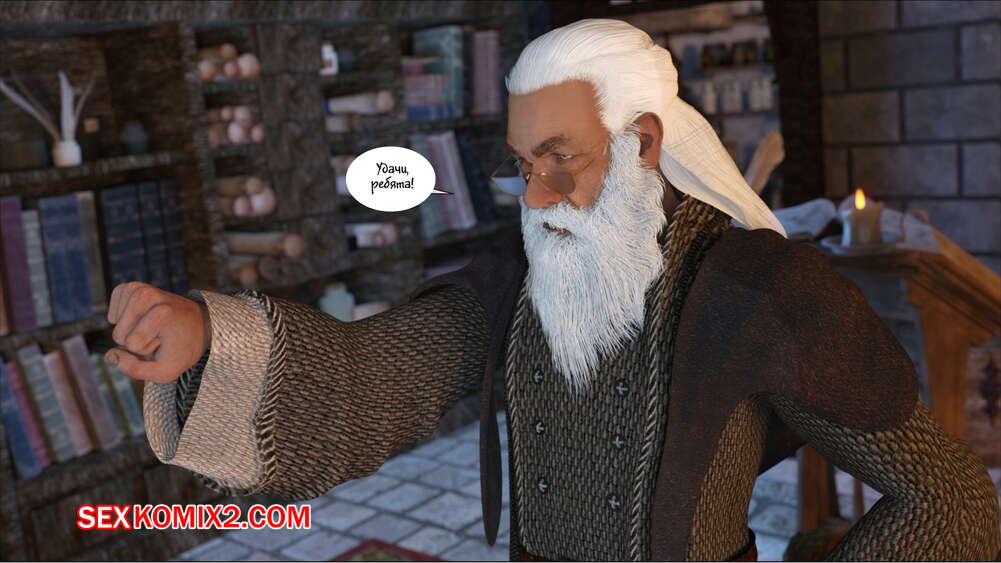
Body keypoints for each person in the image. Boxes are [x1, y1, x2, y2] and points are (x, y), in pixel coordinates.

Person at [106, 19, 1000, 561]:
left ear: (642, 141)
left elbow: (947, 497)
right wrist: (208, 342)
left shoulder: (764, 290)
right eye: (522, 164)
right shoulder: (516, 278)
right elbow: (372, 375)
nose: (535, 196)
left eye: (559, 158)